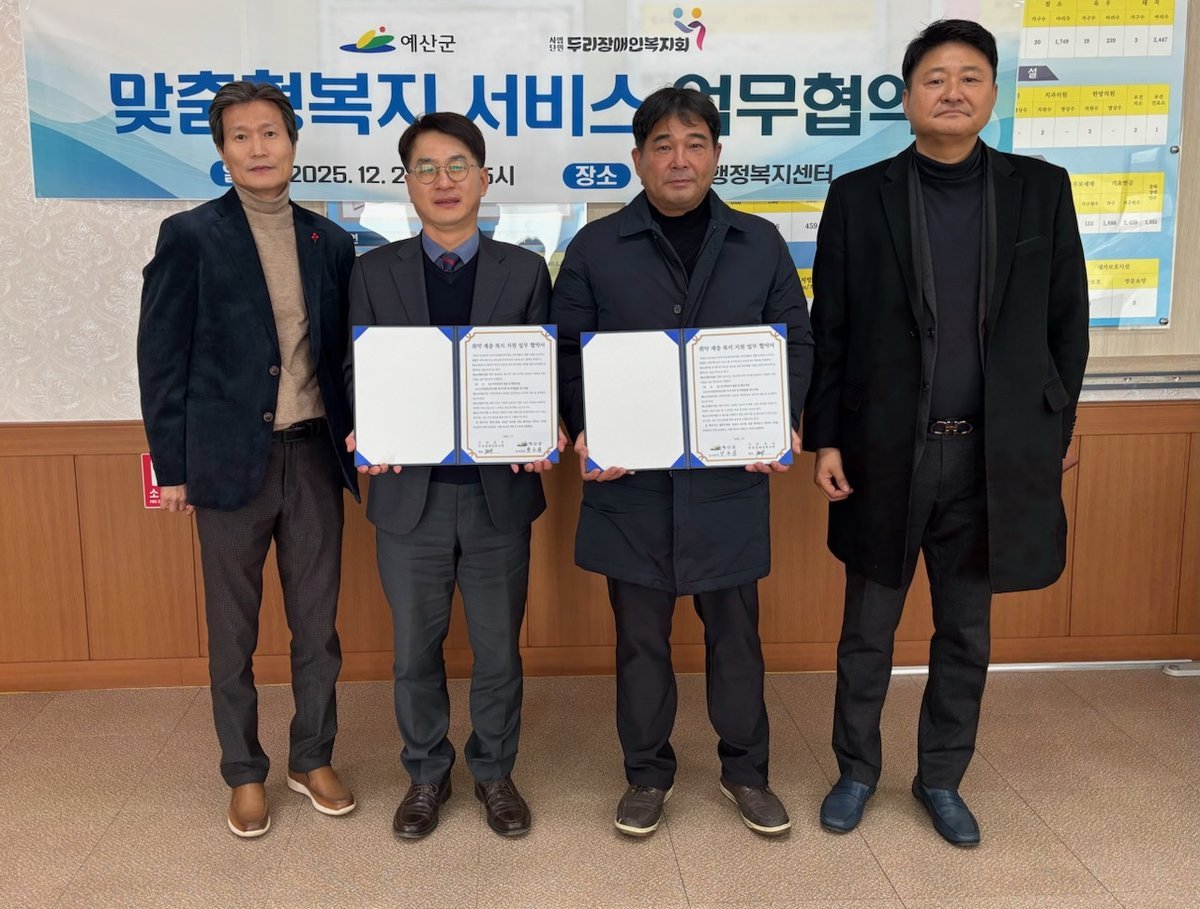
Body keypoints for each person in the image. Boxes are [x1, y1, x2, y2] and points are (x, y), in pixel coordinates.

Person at [803, 19, 1089, 846]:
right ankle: (857, 769)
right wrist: (827, 438)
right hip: (886, 452)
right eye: (935, 78)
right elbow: (833, 327)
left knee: (966, 629)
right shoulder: (859, 196)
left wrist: (1055, 423)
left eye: (970, 77)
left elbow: (1067, 321)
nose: (953, 91)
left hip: (989, 457)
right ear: (907, 97)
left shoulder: (1042, 190)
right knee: (867, 630)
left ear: (994, 94)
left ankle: (940, 777)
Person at [552, 86, 814, 837]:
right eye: (662, 145)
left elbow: (794, 339)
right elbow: (567, 350)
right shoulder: (597, 247)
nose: (679, 159)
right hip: (630, 484)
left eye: (695, 143)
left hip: (728, 481)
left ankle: (746, 771)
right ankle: (646, 773)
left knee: (736, 637)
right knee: (639, 640)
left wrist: (778, 419)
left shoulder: (758, 242)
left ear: (717, 154)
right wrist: (590, 427)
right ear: (637, 159)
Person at [138, 81, 359, 837]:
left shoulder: (330, 241)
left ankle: (312, 756)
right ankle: (243, 770)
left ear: (293, 143)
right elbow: (161, 357)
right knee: (233, 631)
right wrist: (172, 467)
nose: (258, 148)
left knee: (316, 626)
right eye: (240, 136)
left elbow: (345, 357)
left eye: (270, 133)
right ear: (222, 151)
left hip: (315, 456)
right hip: (229, 464)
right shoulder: (190, 236)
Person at [345, 112, 560, 839]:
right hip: (410, 496)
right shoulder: (372, 272)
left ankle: (495, 771)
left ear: (485, 178)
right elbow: (356, 370)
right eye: (427, 168)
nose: (444, 181)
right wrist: (365, 427)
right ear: (407, 184)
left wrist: (545, 427)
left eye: (458, 165)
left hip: (499, 495)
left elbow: (541, 371)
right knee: (415, 651)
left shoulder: (523, 271)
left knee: (499, 650)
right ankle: (426, 773)